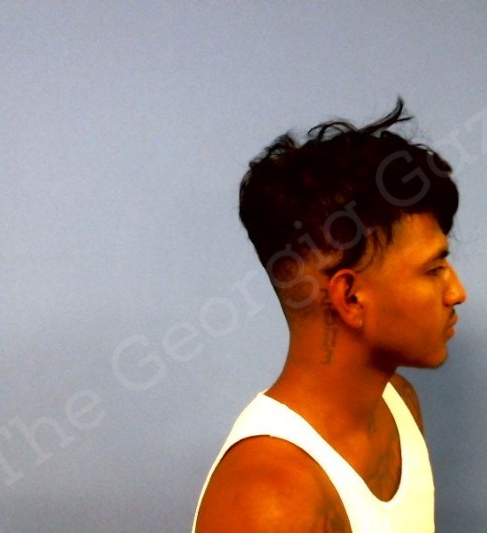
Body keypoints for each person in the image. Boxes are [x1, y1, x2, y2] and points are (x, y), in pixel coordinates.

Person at [193, 99, 467, 532]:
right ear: (351, 298)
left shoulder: (399, 404)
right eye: (434, 269)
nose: (457, 292)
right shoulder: (270, 501)